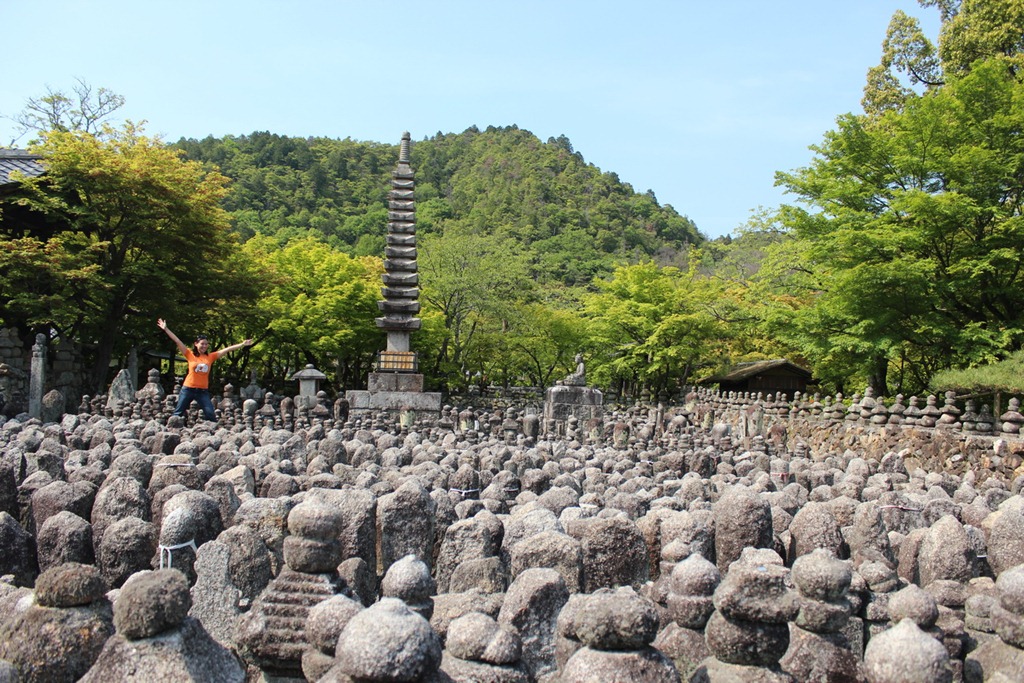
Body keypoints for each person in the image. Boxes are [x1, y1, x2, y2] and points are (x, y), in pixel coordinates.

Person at [157, 318, 253, 422]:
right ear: (196, 344)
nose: (204, 346)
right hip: (188, 389)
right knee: (178, 413)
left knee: (210, 414)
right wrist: (166, 329)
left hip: (202, 391)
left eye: (206, 344)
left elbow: (227, 349)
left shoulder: (210, 357)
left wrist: (242, 344)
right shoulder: (189, 354)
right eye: (202, 344)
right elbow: (177, 341)